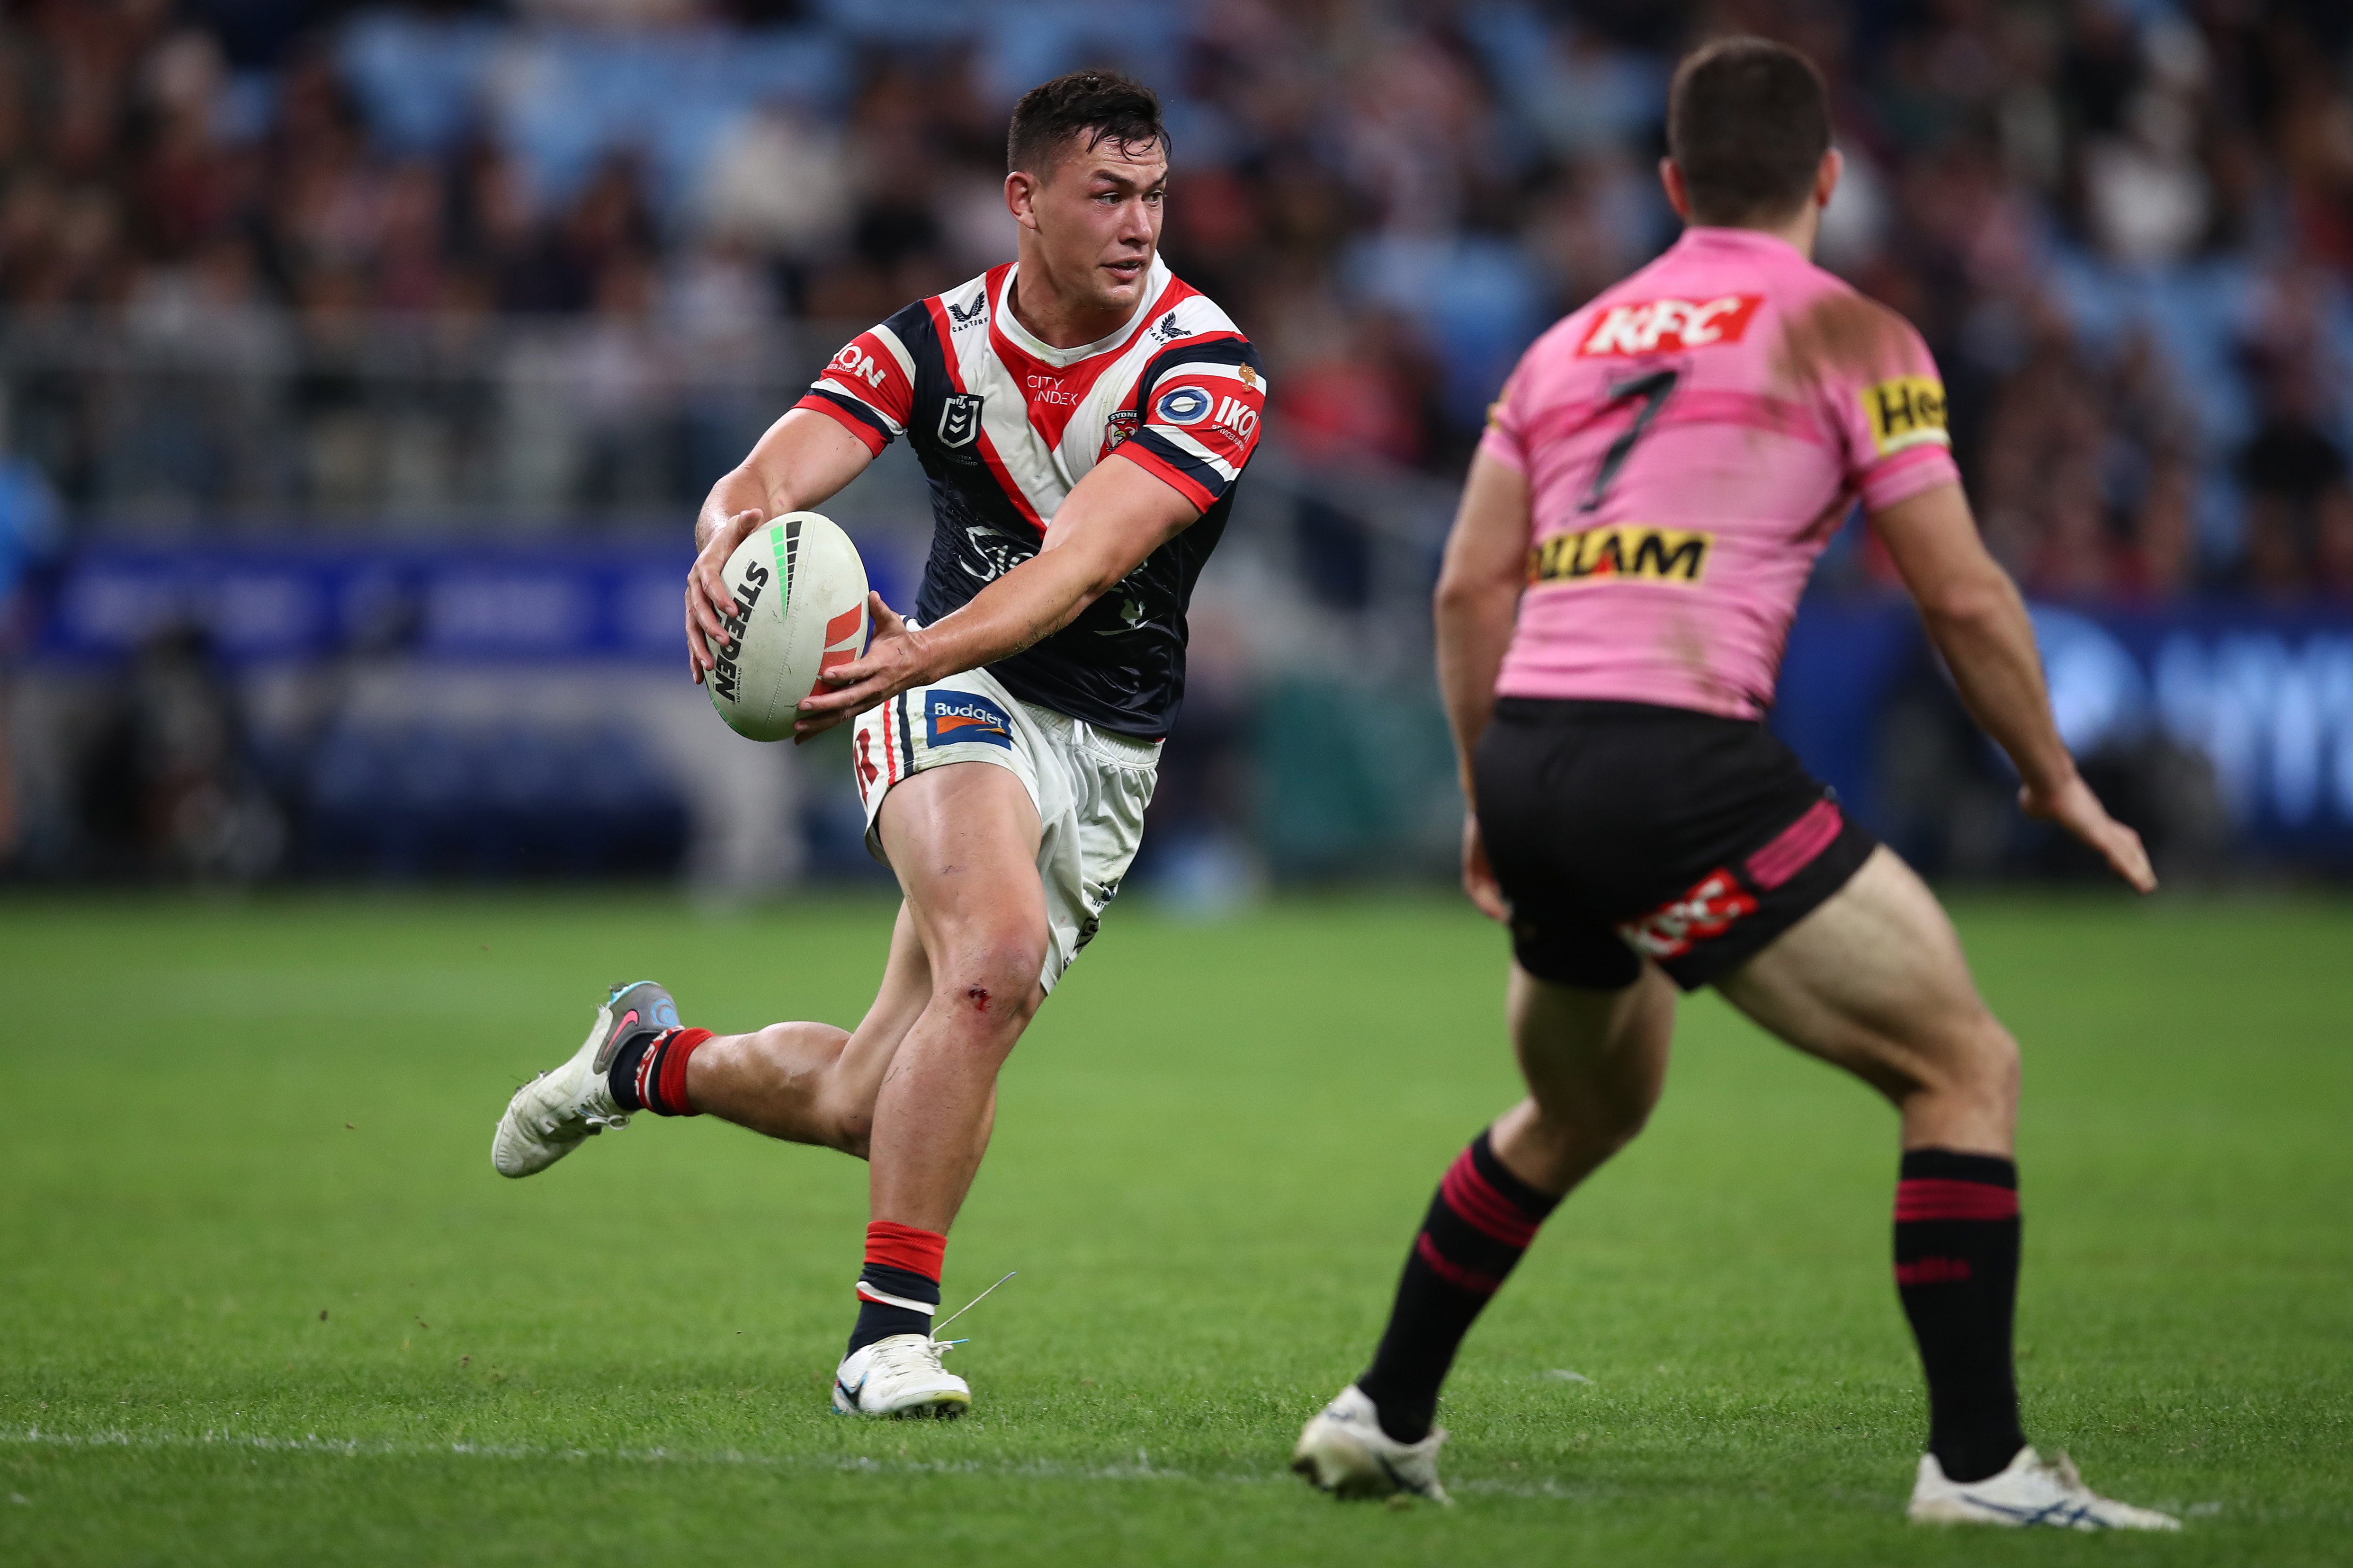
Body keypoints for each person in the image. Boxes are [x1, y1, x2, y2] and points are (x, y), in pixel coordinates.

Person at [1289, 38, 2178, 1531]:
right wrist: (2054, 781)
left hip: (1533, 757)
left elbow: (1462, 593)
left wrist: (1480, 798)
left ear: (1669, 185)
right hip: (1673, 761)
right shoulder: (1853, 335)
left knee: (1577, 1112)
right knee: (1963, 1066)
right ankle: (1980, 1472)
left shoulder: (1561, 344)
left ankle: (1381, 1414)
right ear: (1829, 177)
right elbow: (1957, 596)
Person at [491, 71, 1265, 1419]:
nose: (1139, 223)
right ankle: (885, 1340)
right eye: (1106, 195)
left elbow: (1084, 564)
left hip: (1085, 740)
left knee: (867, 1099)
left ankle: (639, 1060)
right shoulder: (928, 345)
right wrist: (726, 540)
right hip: (946, 698)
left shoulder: (1206, 368)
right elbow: (770, 471)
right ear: (1022, 200)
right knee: (997, 960)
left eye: (1152, 195)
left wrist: (915, 647)